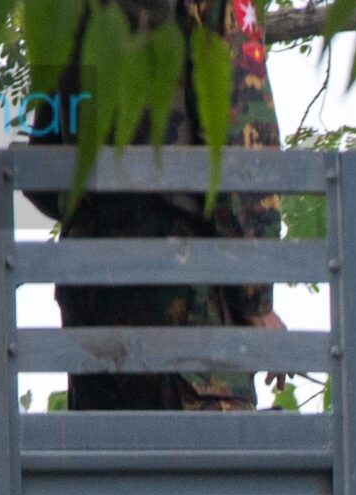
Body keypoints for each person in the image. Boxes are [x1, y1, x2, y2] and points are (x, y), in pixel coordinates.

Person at [32, 0, 286, 410]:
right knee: (211, 468)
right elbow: (243, 146)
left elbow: (43, 160)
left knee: (106, 468)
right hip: (184, 290)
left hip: (88, 287)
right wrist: (256, 301)